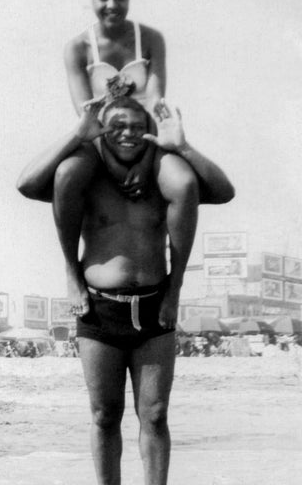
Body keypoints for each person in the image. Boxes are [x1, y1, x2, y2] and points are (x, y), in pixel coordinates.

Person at [17, 96, 234, 485]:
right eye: (117, 126)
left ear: (149, 131)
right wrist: (76, 135)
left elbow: (222, 191)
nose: (128, 134)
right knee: (104, 415)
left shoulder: (164, 179)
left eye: (136, 126)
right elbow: (27, 184)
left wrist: (181, 146)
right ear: (102, 129)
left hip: (155, 309)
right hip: (100, 309)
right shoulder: (87, 178)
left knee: (154, 415)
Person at [49, 0, 229, 321]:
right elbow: (86, 113)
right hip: (101, 138)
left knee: (184, 182)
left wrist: (147, 159)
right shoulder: (76, 47)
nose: (112, 4)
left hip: (147, 135)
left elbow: (156, 100)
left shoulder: (151, 38)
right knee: (66, 175)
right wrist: (111, 162)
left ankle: (174, 288)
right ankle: (72, 271)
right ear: (92, 0)